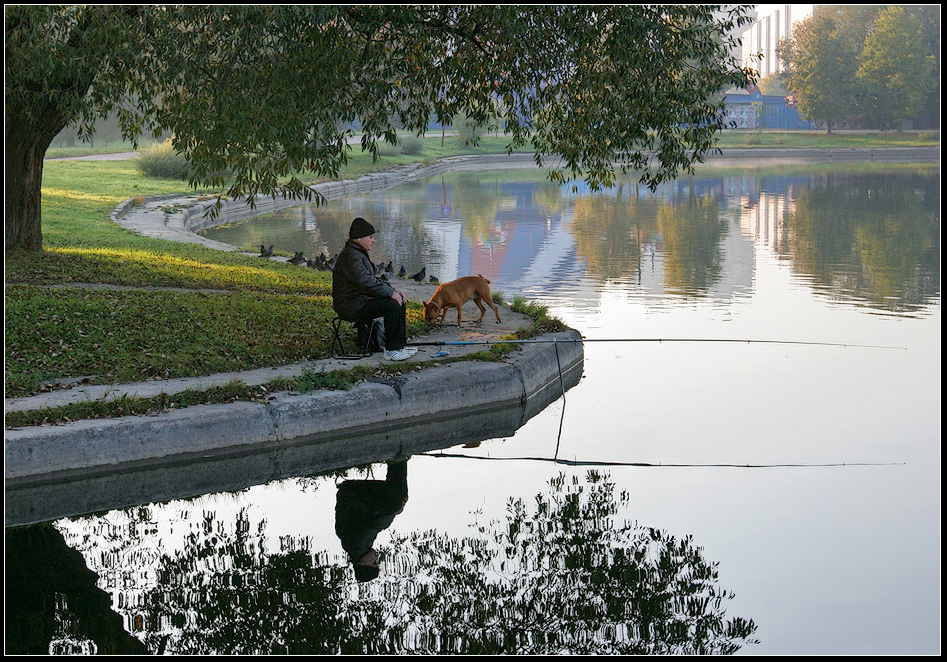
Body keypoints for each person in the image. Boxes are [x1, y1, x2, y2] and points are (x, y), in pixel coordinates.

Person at [332, 217, 417, 361]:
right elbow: (364, 281)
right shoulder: (351, 256)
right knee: (391, 305)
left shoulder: (357, 254)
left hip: (360, 301)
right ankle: (392, 350)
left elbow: (373, 280)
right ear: (359, 238)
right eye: (370, 237)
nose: (373, 240)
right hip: (351, 306)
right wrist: (390, 294)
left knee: (399, 300)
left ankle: (399, 346)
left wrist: (394, 291)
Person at [334, 460, 409, 582]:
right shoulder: (359, 547)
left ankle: (398, 459)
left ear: (363, 563)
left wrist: (394, 513)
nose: (376, 558)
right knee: (397, 498)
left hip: (353, 493)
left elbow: (374, 525)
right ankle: (397, 461)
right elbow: (371, 521)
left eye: (374, 562)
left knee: (395, 503)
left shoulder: (357, 546)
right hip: (354, 494)